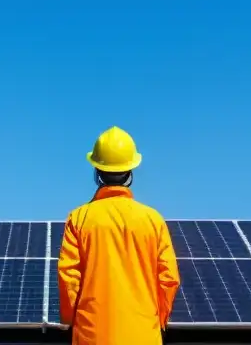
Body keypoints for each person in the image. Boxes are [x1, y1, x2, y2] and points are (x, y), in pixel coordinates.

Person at [57, 126, 180, 345]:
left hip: (91, 335)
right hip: (143, 336)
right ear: (131, 171)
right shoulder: (153, 220)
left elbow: (69, 279)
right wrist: (157, 320)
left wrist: (70, 319)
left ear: (97, 171)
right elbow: (168, 279)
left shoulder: (78, 218)